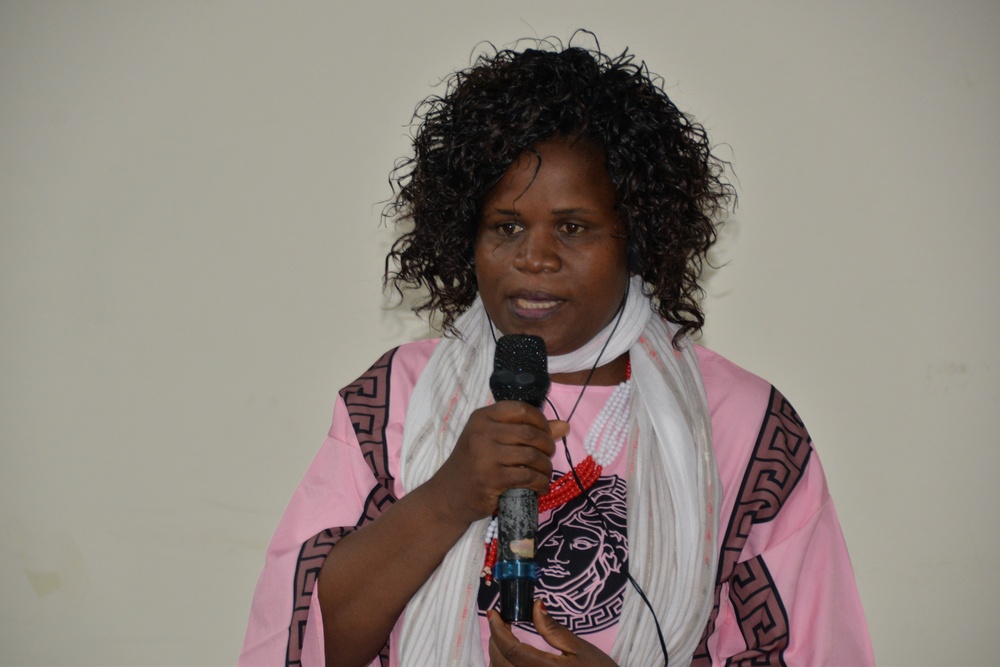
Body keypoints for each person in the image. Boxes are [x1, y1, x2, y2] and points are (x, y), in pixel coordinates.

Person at [239, 36, 874, 667]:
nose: (535, 258)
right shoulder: (393, 403)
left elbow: (812, 651)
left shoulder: (744, 425)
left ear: (637, 238)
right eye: (507, 226)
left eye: (573, 228)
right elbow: (302, 638)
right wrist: (448, 497)